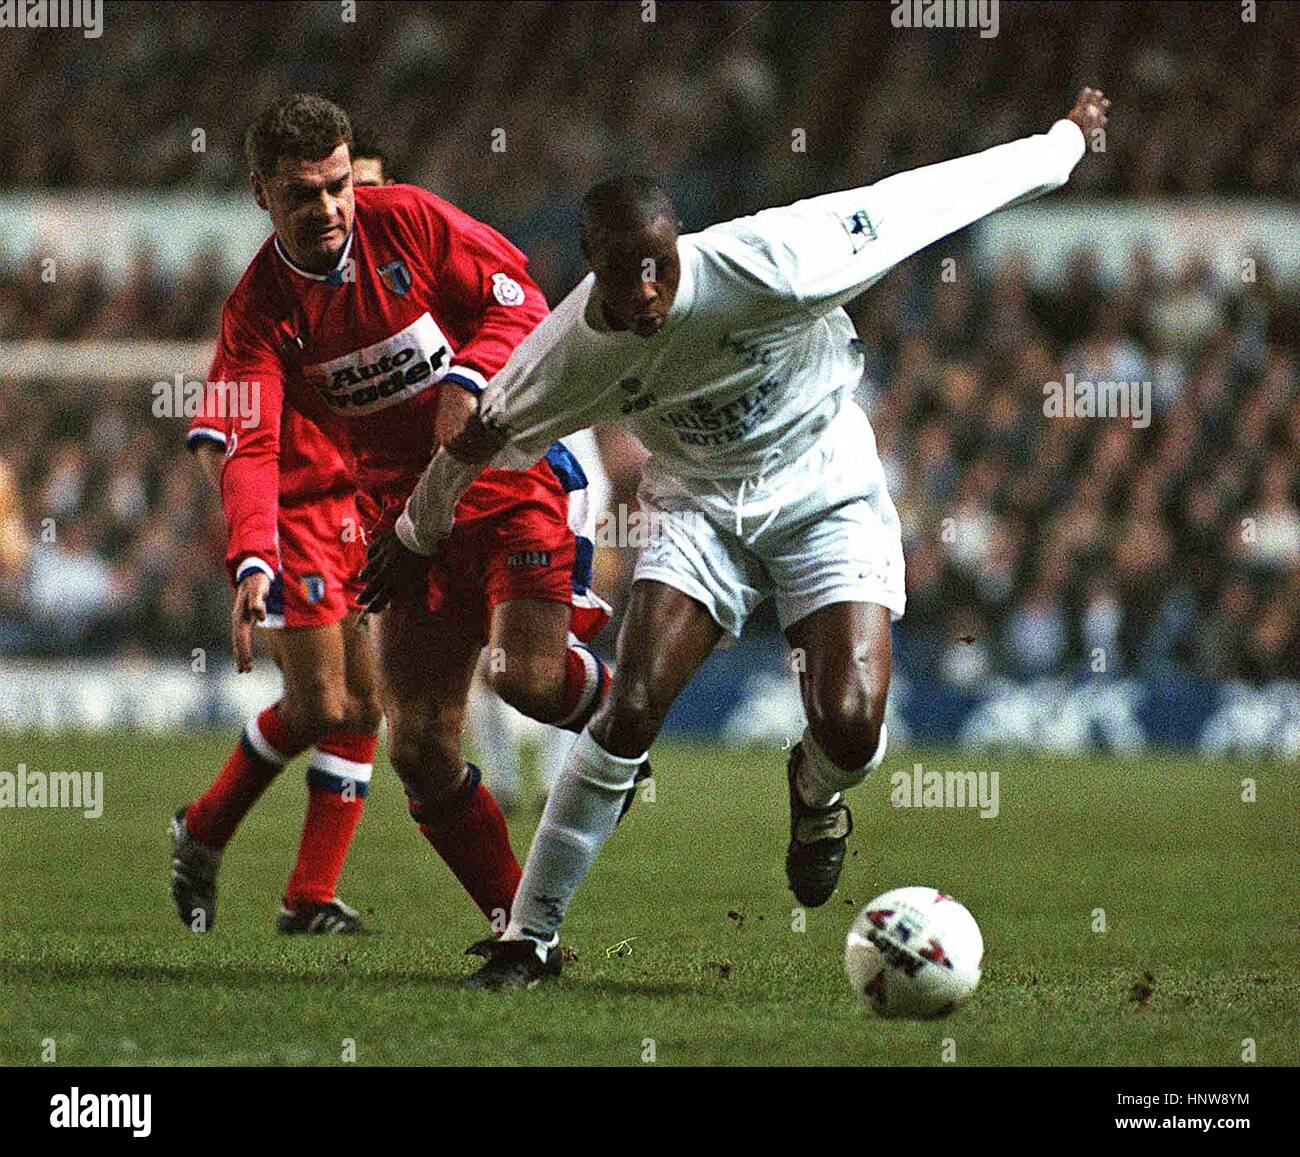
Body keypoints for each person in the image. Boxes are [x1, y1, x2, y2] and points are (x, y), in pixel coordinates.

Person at [362, 89, 1112, 987]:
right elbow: (478, 438)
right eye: (623, 276)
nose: (646, 295)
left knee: (848, 723)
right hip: (700, 509)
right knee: (630, 703)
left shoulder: (779, 257)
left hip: (824, 489)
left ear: (679, 246)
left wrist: (1061, 144)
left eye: (659, 270)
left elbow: (929, 198)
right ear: (590, 268)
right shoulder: (572, 349)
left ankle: (815, 790)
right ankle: (530, 936)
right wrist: (414, 531)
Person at [173, 93, 614, 942]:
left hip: (507, 479)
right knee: (413, 740)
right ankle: (523, 926)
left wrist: (467, 379)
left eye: (339, 185)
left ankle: (622, 707)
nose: (330, 207)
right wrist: (251, 559)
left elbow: (520, 295)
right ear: (260, 193)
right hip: (401, 530)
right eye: (304, 193)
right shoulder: (256, 311)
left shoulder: (406, 219)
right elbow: (248, 445)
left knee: (521, 679)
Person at [171, 151, 391, 936]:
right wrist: (253, 540)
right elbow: (214, 435)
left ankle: (306, 894)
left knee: (363, 705)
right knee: (323, 700)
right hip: (295, 519)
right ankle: (202, 829)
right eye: (329, 192)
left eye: (358, 193)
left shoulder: (386, 296)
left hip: (357, 517)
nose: (343, 210)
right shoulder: (269, 308)